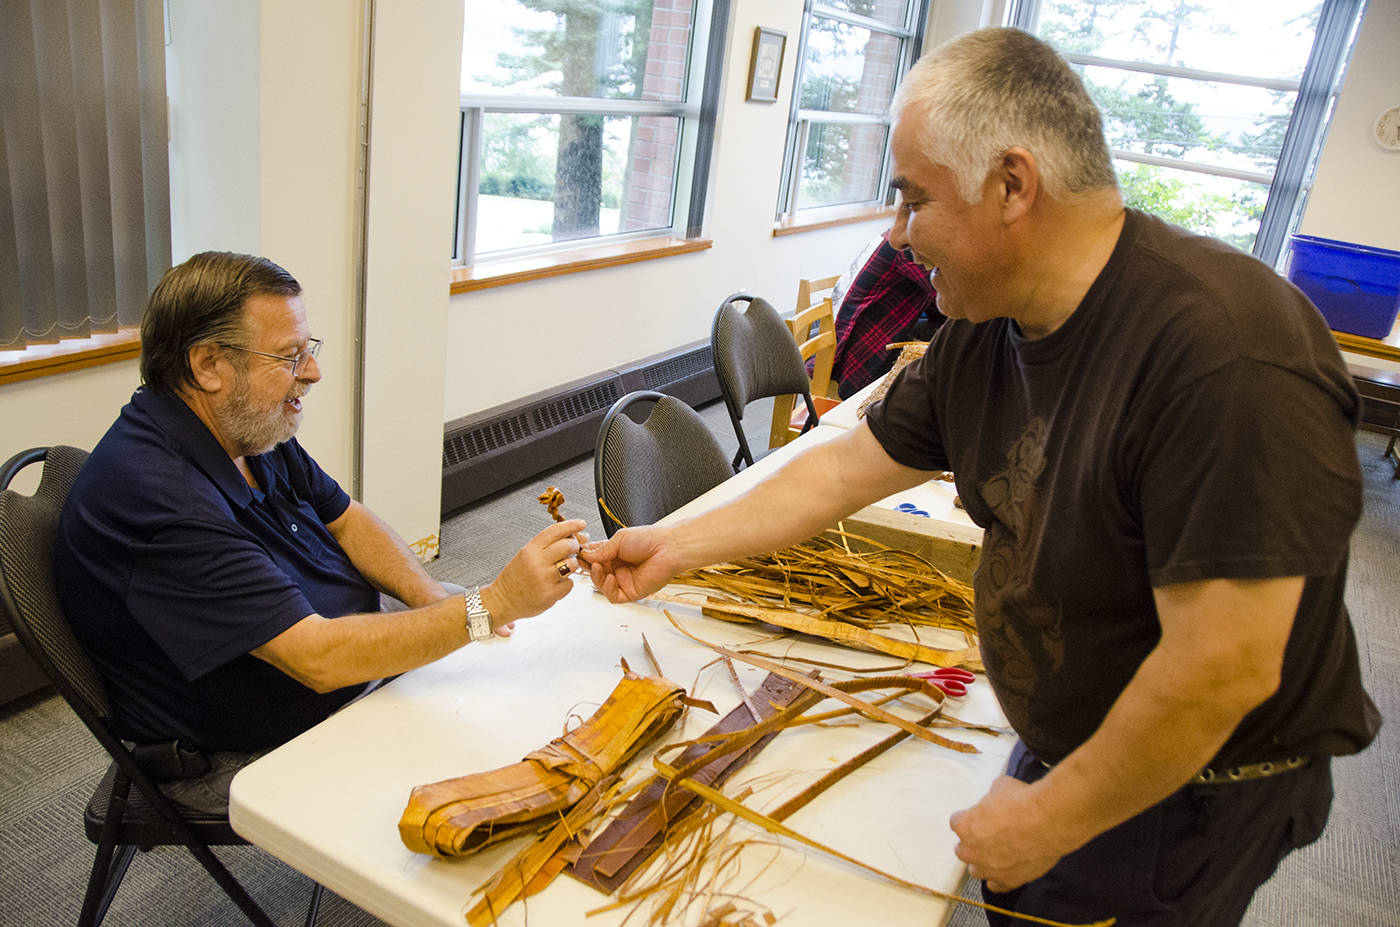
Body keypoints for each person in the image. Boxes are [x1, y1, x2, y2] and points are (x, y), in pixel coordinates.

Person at [585, 27, 1380, 926]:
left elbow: (1220, 668)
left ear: (1012, 184)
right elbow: (847, 463)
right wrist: (676, 543)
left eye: (913, 199)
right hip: (1073, 725)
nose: (896, 234)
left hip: (1187, 783)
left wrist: (1049, 816)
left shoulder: (1226, 354)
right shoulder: (989, 325)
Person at [53, 251, 587, 813]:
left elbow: (347, 517)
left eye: (309, 349)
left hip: (342, 667)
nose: (312, 372)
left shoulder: (248, 431)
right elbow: (318, 660)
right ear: (208, 365)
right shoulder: (160, 499)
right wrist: (491, 605)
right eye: (289, 356)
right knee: (521, 761)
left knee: (535, 688)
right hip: (256, 742)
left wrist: (428, 597)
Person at [830, 230, 941, 398]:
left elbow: (938, 304)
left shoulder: (896, 234)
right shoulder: (910, 247)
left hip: (843, 336)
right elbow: (946, 295)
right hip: (856, 357)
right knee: (956, 341)